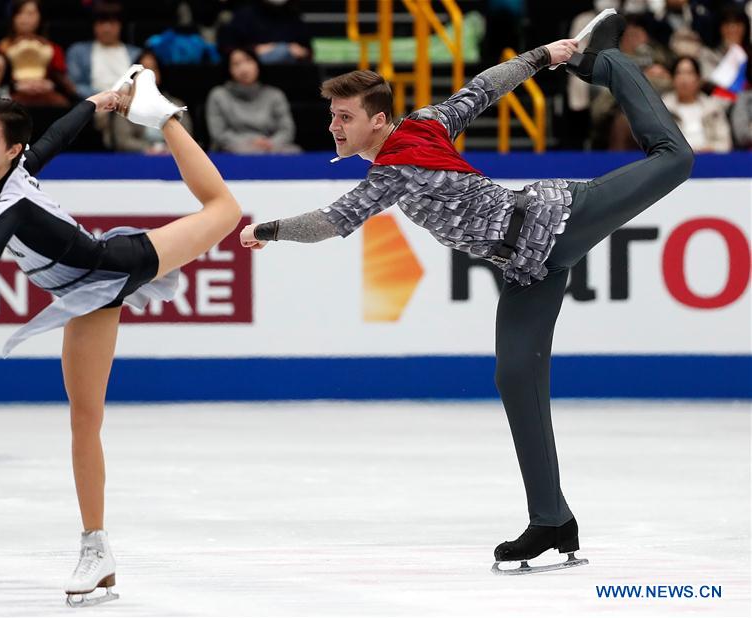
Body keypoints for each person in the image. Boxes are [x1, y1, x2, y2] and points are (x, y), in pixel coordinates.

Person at [239, 13, 694, 574]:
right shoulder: (423, 126)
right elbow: (481, 89)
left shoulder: (395, 168)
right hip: (528, 268)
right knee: (514, 375)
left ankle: (611, 62)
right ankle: (551, 520)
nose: (333, 125)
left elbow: (336, 220)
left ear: (377, 120)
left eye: (344, 116)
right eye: (333, 115)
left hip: (554, 219)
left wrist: (271, 229)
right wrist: (539, 58)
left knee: (675, 160)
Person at [0, 65, 242, 604]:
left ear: (11, 149)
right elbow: (56, 137)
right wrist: (96, 101)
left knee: (225, 210)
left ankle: (165, 117)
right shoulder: (11, 179)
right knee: (84, 419)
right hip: (87, 298)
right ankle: (96, 548)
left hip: (119, 264)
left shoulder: (12, 204)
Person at [95, 47, 192, 154]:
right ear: (133, 76)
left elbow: (187, 138)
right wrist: (149, 149)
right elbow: (123, 141)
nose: (148, 75)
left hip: (172, 158)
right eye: (143, 70)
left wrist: (168, 150)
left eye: (153, 69)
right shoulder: (124, 103)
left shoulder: (177, 104)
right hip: (137, 160)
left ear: (160, 73)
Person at [206, 47, 299, 153]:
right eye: (236, 64)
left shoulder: (275, 95)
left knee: (293, 152)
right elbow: (219, 134)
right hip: (233, 150)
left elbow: (286, 130)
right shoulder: (218, 95)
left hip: (271, 148)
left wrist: (271, 143)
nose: (244, 68)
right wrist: (250, 143)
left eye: (248, 61)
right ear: (229, 69)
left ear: (257, 64)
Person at [0, 0, 77, 107]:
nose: (24, 19)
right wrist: (15, 86)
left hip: (47, 99)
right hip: (11, 97)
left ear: (40, 17)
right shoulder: (2, 47)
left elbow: (64, 83)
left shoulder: (52, 48)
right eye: (19, 13)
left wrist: (48, 85)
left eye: (30, 14)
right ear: (12, 17)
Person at [66, 2, 139, 100]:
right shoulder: (78, 52)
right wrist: (105, 98)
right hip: (94, 104)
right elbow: (74, 85)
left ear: (120, 25)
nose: (106, 29)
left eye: (112, 23)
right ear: (94, 26)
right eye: (101, 23)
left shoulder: (136, 54)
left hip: (127, 104)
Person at [663, 56, 733, 152]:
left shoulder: (713, 108)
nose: (684, 79)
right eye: (679, 73)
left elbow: (725, 143)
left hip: (709, 160)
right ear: (673, 79)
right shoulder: (662, 108)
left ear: (698, 79)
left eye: (689, 73)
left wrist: (711, 149)